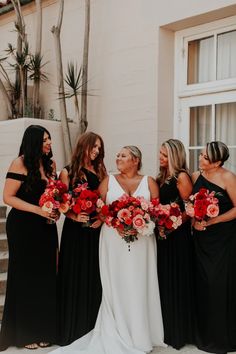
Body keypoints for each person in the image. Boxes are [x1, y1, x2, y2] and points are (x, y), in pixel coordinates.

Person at [50, 145, 166, 354]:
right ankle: (118, 329)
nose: (118, 158)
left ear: (135, 160)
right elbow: (99, 208)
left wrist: (139, 223)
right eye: (117, 155)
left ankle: (142, 332)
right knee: (117, 283)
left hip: (143, 241)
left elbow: (156, 211)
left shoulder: (149, 182)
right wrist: (109, 219)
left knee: (140, 281)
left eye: (123, 155)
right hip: (113, 239)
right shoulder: (108, 181)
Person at [0, 125, 58, 351]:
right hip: (23, 226)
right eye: (45, 140)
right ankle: (25, 333)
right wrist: (37, 210)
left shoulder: (51, 165)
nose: (49, 143)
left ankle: (44, 329)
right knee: (25, 277)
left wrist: (56, 210)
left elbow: (54, 195)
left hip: (46, 226)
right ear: (34, 142)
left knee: (45, 277)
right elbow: (8, 197)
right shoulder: (19, 163)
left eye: (50, 139)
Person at [57, 132, 107, 346]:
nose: (96, 151)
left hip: (95, 230)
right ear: (83, 146)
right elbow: (61, 204)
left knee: (94, 275)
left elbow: (106, 202)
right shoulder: (67, 172)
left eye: (99, 148)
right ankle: (71, 328)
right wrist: (74, 215)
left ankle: (91, 326)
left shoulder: (101, 171)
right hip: (74, 231)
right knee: (73, 273)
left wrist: (102, 219)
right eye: (93, 147)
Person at [192, 141, 236, 354]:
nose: (200, 159)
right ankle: (203, 334)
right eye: (200, 155)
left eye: (205, 157)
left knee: (218, 284)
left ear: (217, 162)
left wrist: (212, 221)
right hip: (201, 240)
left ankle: (221, 338)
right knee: (202, 284)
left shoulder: (228, 178)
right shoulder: (195, 176)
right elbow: (191, 205)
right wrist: (195, 220)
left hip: (223, 240)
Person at [156, 139, 195, 349]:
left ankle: (178, 331)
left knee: (176, 280)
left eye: (164, 155)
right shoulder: (162, 177)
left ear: (174, 156)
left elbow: (190, 210)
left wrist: (172, 225)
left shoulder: (181, 177)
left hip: (177, 237)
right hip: (162, 237)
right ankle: (164, 328)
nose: (160, 158)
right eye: (160, 154)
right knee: (163, 280)